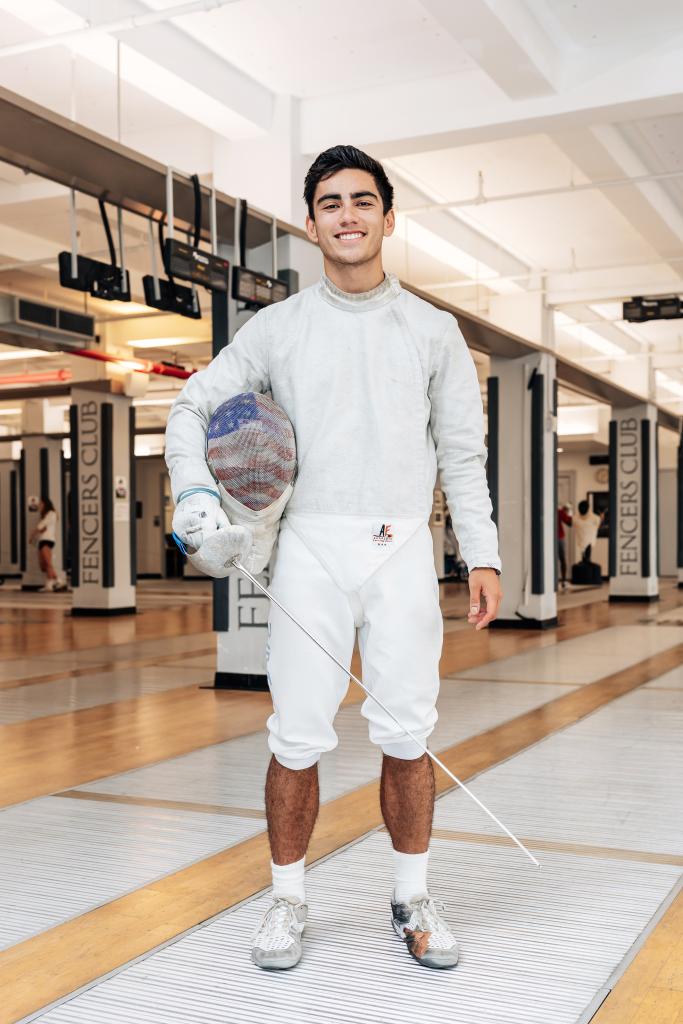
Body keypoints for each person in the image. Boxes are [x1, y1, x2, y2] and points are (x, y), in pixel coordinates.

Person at [165, 145, 502, 972]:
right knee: (296, 739)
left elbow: (462, 454)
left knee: (408, 736)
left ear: (388, 217)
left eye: (361, 201)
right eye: (328, 203)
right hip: (308, 549)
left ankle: (411, 895)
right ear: (309, 223)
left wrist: (482, 553)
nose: (346, 215)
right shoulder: (276, 329)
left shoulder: (432, 330)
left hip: (400, 553)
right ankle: (286, 902)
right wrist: (193, 496)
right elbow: (190, 401)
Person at [30, 496, 62, 592]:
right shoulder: (45, 515)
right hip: (42, 540)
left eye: (41, 504)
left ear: (46, 504)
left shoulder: (51, 513)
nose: (39, 506)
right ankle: (49, 584)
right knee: (43, 565)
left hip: (47, 540)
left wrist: (32, 535)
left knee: (48, 563)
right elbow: (42, 528)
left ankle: (58, 580)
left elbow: (41, 526)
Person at [557, 503, 573, 589]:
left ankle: (553, 581)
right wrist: (569, 512)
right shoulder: (559, 512)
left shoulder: (559, 511)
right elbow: (570, 523)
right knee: (562, 559)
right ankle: (563, 581)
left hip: (549, 538)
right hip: (559, 538)